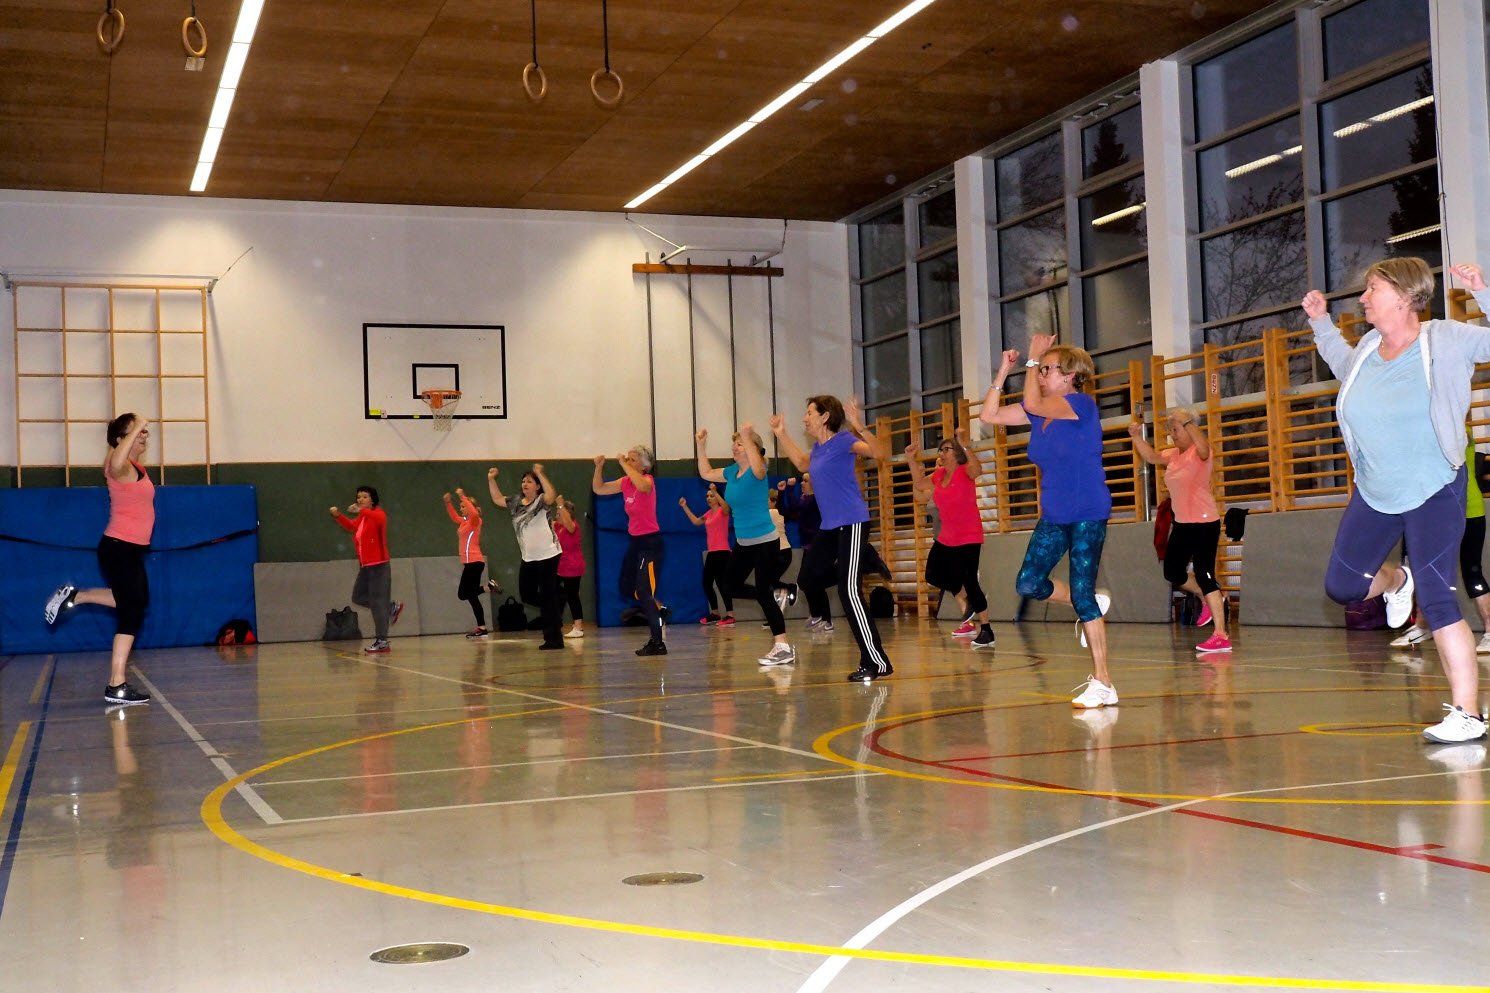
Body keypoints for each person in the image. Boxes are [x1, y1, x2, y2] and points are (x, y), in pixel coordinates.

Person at [1304, 258, 1490, 744]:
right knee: (1343, 586)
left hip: (1433, 486)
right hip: (1376, 490)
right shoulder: (1367, 347)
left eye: (1371, 289)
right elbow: (1342, 368)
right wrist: (1321, 323)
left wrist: (1482, 293)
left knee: (1439, 597)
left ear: (1405, 295)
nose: (1363, 298)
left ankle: (1468, 712)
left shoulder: (1447, 339)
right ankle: (1397, 578)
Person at [980, 334, 1115, 708]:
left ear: (1070, 375)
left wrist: (1030, 360)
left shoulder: (1080, 405)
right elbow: (988, 415)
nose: (1041, 374)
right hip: (1055, 515)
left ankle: (1103, 682)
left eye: (1047, 369)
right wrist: (1005, 369)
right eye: (1040, 370)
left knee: (1083, 590)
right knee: (1028, 582)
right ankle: (1088, 603)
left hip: (1087, 510)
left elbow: (1033, 400)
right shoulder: (1037, 411)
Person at [770, 396, 892, 682]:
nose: (804, 418)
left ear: (825, 417)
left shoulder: (843, 440)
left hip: (852, 522)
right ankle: (862, 564)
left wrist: (860, 425)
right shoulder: (818, 448)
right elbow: (801, 462)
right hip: (830, 527)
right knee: (808, 578)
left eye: (809, 412)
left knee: (849, 592)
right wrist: (780, 433)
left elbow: (879, 453)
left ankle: (876, 662)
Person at [44, 413, 157, 705]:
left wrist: (133, 430)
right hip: (119, 549)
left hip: (129, 550)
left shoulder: (134, 466)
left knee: (134, 601)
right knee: (131, 611)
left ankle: (77, 596)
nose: (144, 436)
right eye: (138, 434)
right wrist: (135, 426)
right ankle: (116, 684)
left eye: (145, 433)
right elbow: (117, 460)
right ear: (121, 439)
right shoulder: (117, 466)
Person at [1128, 407, 1231, 652]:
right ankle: (1209, 597)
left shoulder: (1201, 452)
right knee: (1173, 572)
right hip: (1183, 524)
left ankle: (1221, 635)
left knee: (1205, 573)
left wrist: (1185, 421)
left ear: (1188, 428)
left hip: (1205, 523)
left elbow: (1202, 445)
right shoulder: (1174, 455)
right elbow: (1152, 457)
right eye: (1171, 431)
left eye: (1175, 430)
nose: (1172, 435)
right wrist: (1135, 437)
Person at [698, 424, 795, 665]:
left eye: (740, 443)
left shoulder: (757, 471)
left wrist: (748, 437)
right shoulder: (731, 472)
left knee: (762, 592)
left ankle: (782, 647)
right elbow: (706, 473)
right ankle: (776, 592)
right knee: (729, 586)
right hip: (743, 543)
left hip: (765, 542)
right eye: (735, 442)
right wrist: (700, 445)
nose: (735, 446)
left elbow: (759, 467)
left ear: (753, 448)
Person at [1391, 441, 1490, 654]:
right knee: (1424, 570)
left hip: (1467, 511)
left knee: (1472, 572)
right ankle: (1422, 626)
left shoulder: (1452, 430)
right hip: (1438, 514)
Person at [905, 427, 995, 649]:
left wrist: (964, 443)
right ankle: (970, 602)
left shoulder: (965, 471)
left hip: (969, 536)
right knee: (933, 574)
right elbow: (919, 485)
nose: (942, 453)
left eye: (946, 449)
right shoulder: (938, 475)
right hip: (947, 537)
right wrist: (910, 459)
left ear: (956, 453)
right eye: (940, 449)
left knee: (971, 581)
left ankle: (986, 630)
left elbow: (978, 469)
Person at [594, 446, 666, 656]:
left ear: (644, 465)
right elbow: (599, 489)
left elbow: (643, 486)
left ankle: (658, 642)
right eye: (628, 458)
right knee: (627, 587)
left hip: (651, 544)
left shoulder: (648, 481)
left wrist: (623, 463)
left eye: (632, 459)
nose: (627, 460)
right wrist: (599, 468)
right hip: (635, 543)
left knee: (644, 592)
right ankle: (659, 608)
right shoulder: (625, 483)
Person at [488, 464, 564, 650]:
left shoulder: (541, 501)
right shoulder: (515, 502)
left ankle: (554, 639)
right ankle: (555, 604)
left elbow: (551, 495)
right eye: (523, 481)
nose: (525, 484)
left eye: (529, 481)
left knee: (547, 597)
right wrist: (491, 479)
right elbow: (497, 498)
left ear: (537, 486)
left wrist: (539, 472)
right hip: (529, 557)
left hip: (549, 554)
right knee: (527, 594)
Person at [328, 484, 403, 654]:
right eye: (359, 496)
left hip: (379, 565)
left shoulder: (378, 514)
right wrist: (338, 516)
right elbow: (351, 527)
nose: (360, 499)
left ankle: (382, 641)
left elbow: (378, 520)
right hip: (365, 566)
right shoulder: (363, 518)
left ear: (372, 500)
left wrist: (361, 510)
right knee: (358, 597)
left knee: (377, 604)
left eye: (364, 496)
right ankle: (391, 607)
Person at [780, 474, 830, 631]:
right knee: (804, 581)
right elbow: (786, 512)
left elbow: (797, 507)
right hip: (808, 547)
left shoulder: (816, 499)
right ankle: (816, 615)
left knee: (815, 582)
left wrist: (789, 489)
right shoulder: (804, 499)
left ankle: (827, 620)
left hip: (819, 547)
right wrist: (782, 492)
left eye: (806, 481)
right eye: (802, 480)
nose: (802, 483)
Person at [679, 487, 734, 625]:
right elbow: (696, 522)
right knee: (706, 583)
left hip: (723, 552)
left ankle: (730, 615)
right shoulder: (708, 513)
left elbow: (727, 507)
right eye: (707, 496)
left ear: (717, 497)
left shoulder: (723, 511)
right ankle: (715, 613)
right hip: (712, 553)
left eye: (711, 496)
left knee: (722, 583)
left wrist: (716, 491)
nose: (709, 498)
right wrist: (684, 506)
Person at [443, 487, 489, 639]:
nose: (461, 508)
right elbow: (454, 517)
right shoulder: (464, 522)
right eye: (461, 506)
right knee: (469, 595)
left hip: (474, 562)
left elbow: (474, 513)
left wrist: (462, 496)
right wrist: (448, 503)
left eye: (464, 506)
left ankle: (487, 588)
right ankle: (482, 627)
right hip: (470, 563)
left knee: (464, 594)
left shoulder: (476, 520)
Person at [554, 496, 587, 639]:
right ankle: (556, 622)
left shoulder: (572, 526)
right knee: (555, 592)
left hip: (573, 566)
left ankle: (578, 627)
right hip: (561, 566)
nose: (557, 514)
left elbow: (570, 525)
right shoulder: (558, 527)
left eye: (560, 512)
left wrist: (561, 506)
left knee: (572, 596)